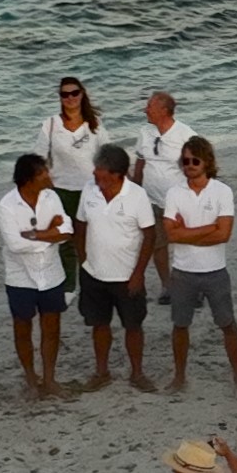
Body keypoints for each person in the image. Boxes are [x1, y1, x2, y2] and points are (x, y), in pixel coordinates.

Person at [65, 142, 158, 394]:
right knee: (99, 324)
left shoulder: (136, 195)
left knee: (133, 325)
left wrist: (138, 273)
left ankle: (137, 372)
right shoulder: (89, 190)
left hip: (127, 275)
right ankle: (101, 371)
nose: (95, 174)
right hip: (94, 273)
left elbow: (149, 235)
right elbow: (80, 224)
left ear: (117, 173)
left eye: (100, 170)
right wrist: (83, 259)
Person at [157, 135, 237, 397]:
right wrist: (208, 229)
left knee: (227, 324)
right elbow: (171, 235)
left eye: (195, 160)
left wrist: (188, 231)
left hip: (215, 271)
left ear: (206, 162)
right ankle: (179, 376)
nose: (190, 165)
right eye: (185, 161)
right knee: (180, 325)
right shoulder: (174, 192)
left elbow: (224, 235)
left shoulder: (222, 191)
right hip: (183, 271)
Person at [0, 154, 74, 400]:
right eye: (42, 173)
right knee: (22, 327)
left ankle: (49, 378)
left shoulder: (51, 197)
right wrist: (51, 235)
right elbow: (15, 244)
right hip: (20, 277)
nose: (48, 176)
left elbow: (67, 230)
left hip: (51, 273)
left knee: (52, 327)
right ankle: (30, 378)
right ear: (28, 179)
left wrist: (36, 235)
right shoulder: (7, 205)